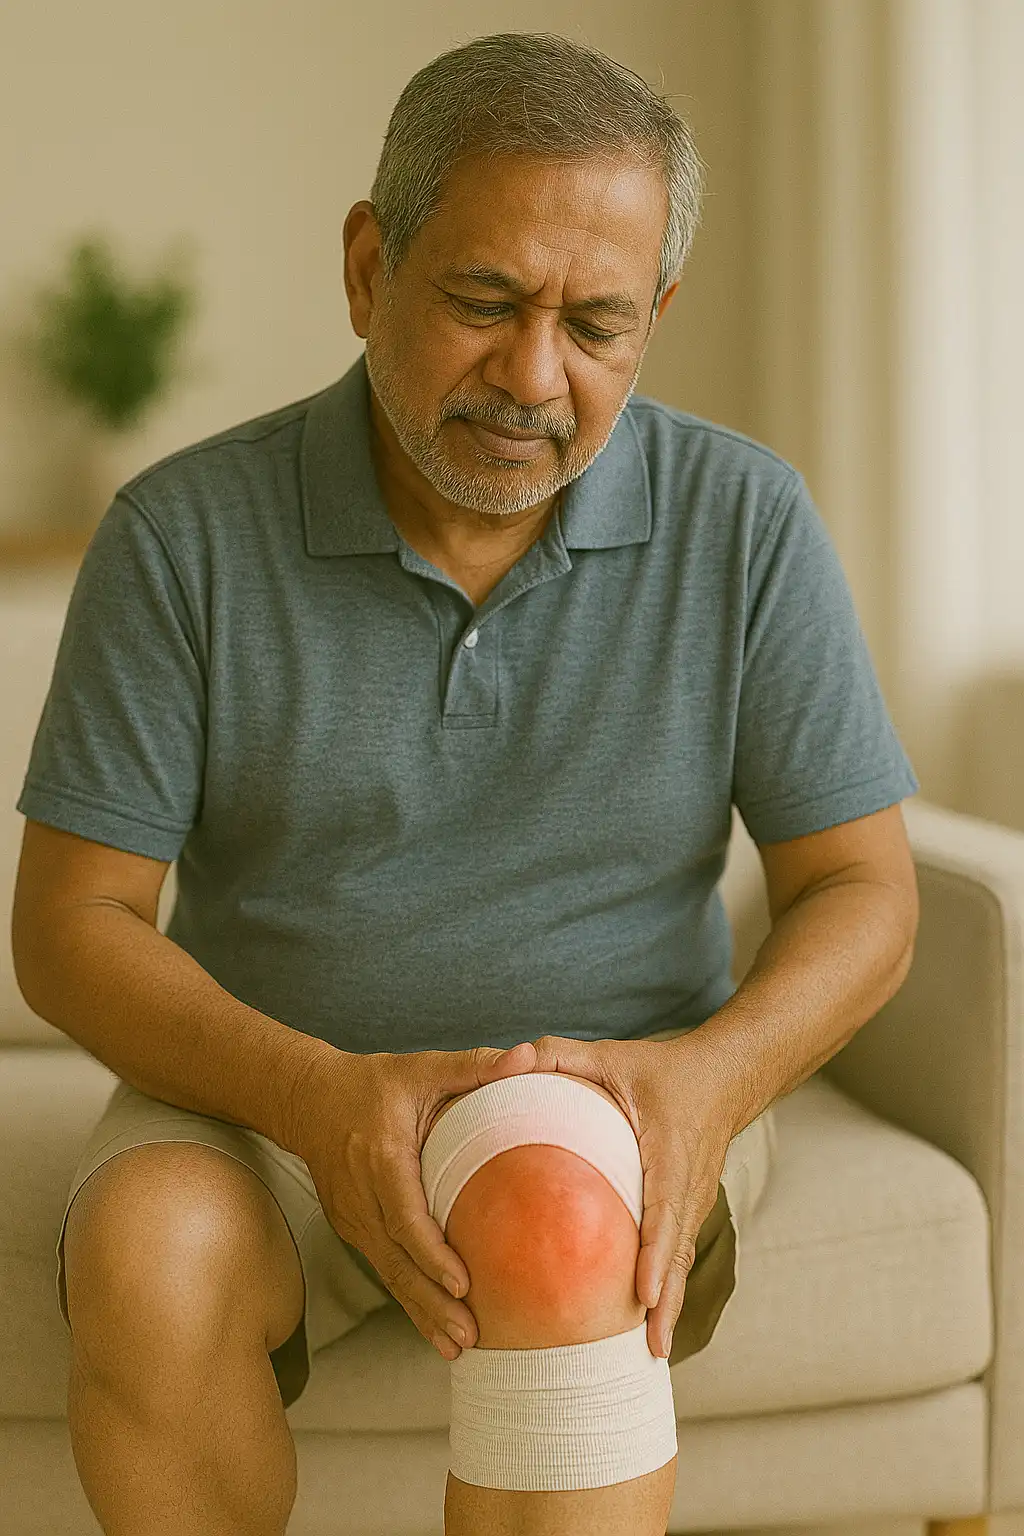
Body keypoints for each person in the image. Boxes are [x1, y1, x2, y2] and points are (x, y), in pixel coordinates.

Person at [11, 29, 920, 1536]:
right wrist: (319, 1097)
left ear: (657, 314)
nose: (535, 377)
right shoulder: (181, 535)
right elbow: (71, 924)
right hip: (266, 1105)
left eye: (599, 325)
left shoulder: (746, 521)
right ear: (371, 265)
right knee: (148, 1259)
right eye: (484, 301)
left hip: (611, 1092)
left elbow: (863, 891)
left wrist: (709, 1083)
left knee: (558, 1218)